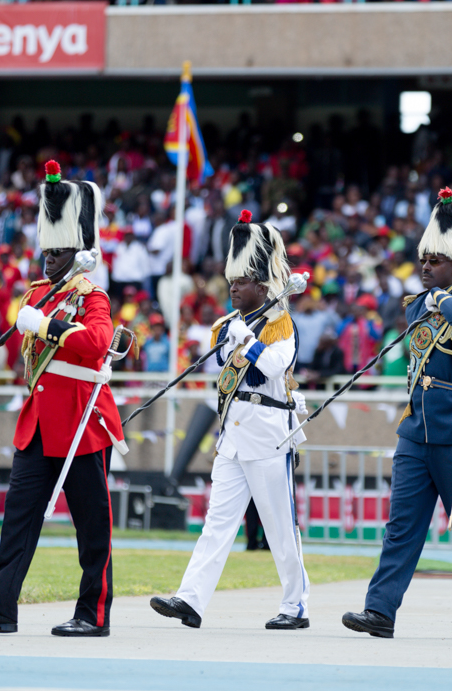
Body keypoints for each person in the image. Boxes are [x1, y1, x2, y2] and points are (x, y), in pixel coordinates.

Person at [0, 162, 121, 637]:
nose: (49, 259)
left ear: (80, 252)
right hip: (40, 424)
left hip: (82, 426)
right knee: (17, 521)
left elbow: (96, 343)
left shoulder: (92, 296)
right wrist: (37, 315)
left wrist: (46, 325)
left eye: (60, 251)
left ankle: (93, 614)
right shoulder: (41, 293)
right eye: (47, 250)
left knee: (92, 530)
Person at [343, 188, 452, 640]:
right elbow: (416, 320)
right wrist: (435, 299)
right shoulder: (418, 302)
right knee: (401, 526)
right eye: (424, 259)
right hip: (416, 429)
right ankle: (380, 610)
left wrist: (445, 299)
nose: (426, 266)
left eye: (436, 260)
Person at [151, 210, 310, 630]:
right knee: (217, 523)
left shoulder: (282, 324)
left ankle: (295, 605)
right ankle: (191, 600)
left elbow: (274, 368)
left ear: (262, 285)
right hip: (233, 433)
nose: (232, 287)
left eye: (241, 281)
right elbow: (224, 368)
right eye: (231, 280)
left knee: (279, 528)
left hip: (268, 434)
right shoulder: (228, 326)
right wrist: (240, 333)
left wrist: (250, 339)